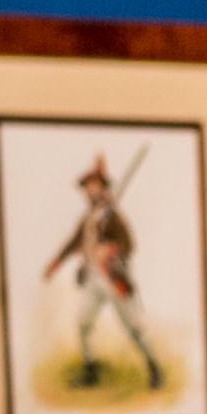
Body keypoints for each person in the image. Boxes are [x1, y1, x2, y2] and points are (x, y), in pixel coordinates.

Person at [42, 153, 163, 390]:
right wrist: (56, 262)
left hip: (113, 278)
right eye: (87, 187)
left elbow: (128, 244)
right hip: (92, 279)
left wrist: (110, 249)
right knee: (83, 322)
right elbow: (74, 241)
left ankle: (154, 367)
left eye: (94, 186)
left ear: (103, 189)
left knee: (134, 328)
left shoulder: (113, 216)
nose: (89, 190)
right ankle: (91, 370)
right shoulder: (89, 217)